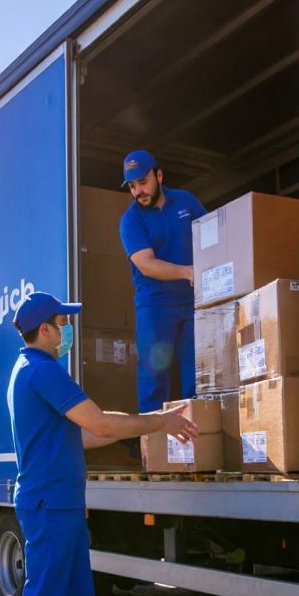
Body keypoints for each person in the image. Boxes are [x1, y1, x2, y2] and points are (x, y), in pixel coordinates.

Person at [5, 292, 199, 596]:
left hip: (62, 505)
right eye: (63, 322)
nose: (68, 330)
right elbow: (101, 426)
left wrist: (139, 429)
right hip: (50, 507)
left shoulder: (31, 370)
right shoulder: (42, 370)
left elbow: (84, 435)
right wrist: (157, 421)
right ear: (46, 330)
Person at [118, 149, 207, 412]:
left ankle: (202, 439)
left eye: (142, 182)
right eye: (132, 186)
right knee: (154, 378)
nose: (138, 191)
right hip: (155, 306)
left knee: (198, 376)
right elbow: (146, 264)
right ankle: (152, 448)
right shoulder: (131, 220)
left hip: (193, 303)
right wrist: (188, 272)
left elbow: (212, 233)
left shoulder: (186, 202)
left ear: (159, 175)